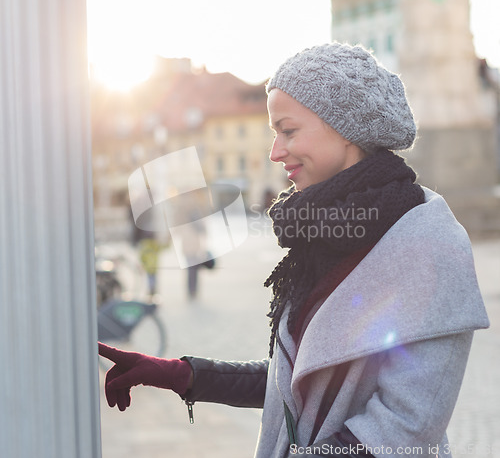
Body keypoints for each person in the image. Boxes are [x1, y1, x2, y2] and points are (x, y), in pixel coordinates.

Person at [98, 43, 489, 457]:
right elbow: (301, 382)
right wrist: (181, 374)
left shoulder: (428, 242)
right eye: (274, 133)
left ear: (345, 127)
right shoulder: (316, 239)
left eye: (288, 130)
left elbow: (407, 428)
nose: (275, 152)